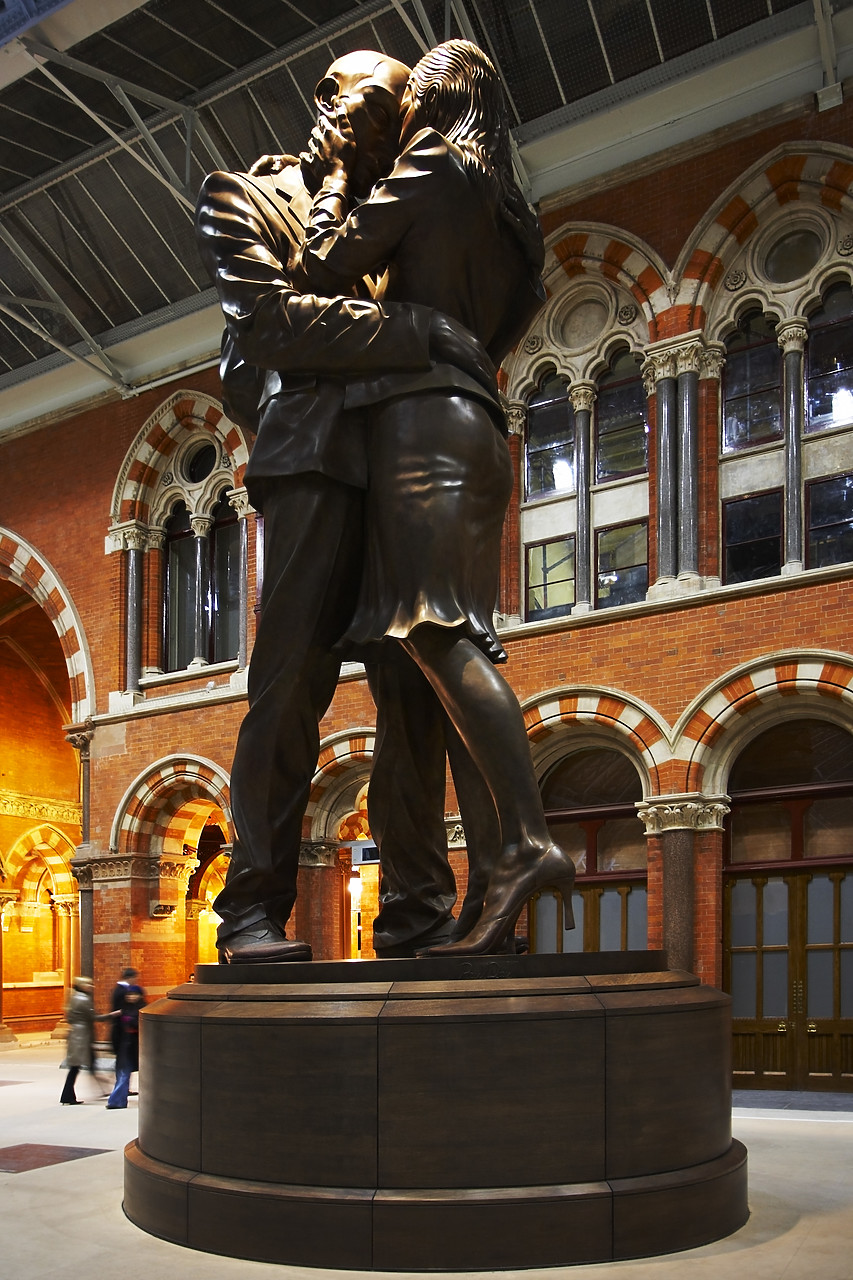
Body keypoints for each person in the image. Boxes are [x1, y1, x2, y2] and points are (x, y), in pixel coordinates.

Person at [195, 51, 501, 963]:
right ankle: (252, 911)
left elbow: (486, 307)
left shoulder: (417, 193)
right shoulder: (244, 195)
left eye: (390, 106)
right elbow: (270, 323)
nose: (363, 118)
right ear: (326, 98)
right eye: (358, 98)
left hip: (409, 462)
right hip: (314, 460)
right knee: (288, 686)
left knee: (417, 690)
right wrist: (422, 335)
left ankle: (414, 913)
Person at [295, 39, 576, 955]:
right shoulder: (505, 206)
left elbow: (325, 265)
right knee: (446, 645)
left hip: (422, 421)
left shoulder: (429, 160)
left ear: (430, 100)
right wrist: (457, 337)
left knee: (431, 630)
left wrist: (338, 177)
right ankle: (498, 867)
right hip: (479, 421)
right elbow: (518, 304)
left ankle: (528, 843)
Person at [59, 976, 100, 1105]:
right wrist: (111, 1015)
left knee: (74, 1067)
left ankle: (68, 1096)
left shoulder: (74, 997)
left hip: (76, 1034)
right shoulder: (83, 999)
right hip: (81, 1036)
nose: (91, 987)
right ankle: (67, 1096)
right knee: (75, 1067)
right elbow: (93, 1016)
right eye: (88, 984)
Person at [106, 976, 145, 1109]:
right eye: (130, 994)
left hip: (136, 1047)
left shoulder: (143, 1009)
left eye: (135, 994)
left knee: (126, 1074)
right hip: (125, 1047)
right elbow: (117, 1028)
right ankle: (116, 1101)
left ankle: (117, 1100)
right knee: (123, 1074)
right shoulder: (124, 1009)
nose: (132, 997)